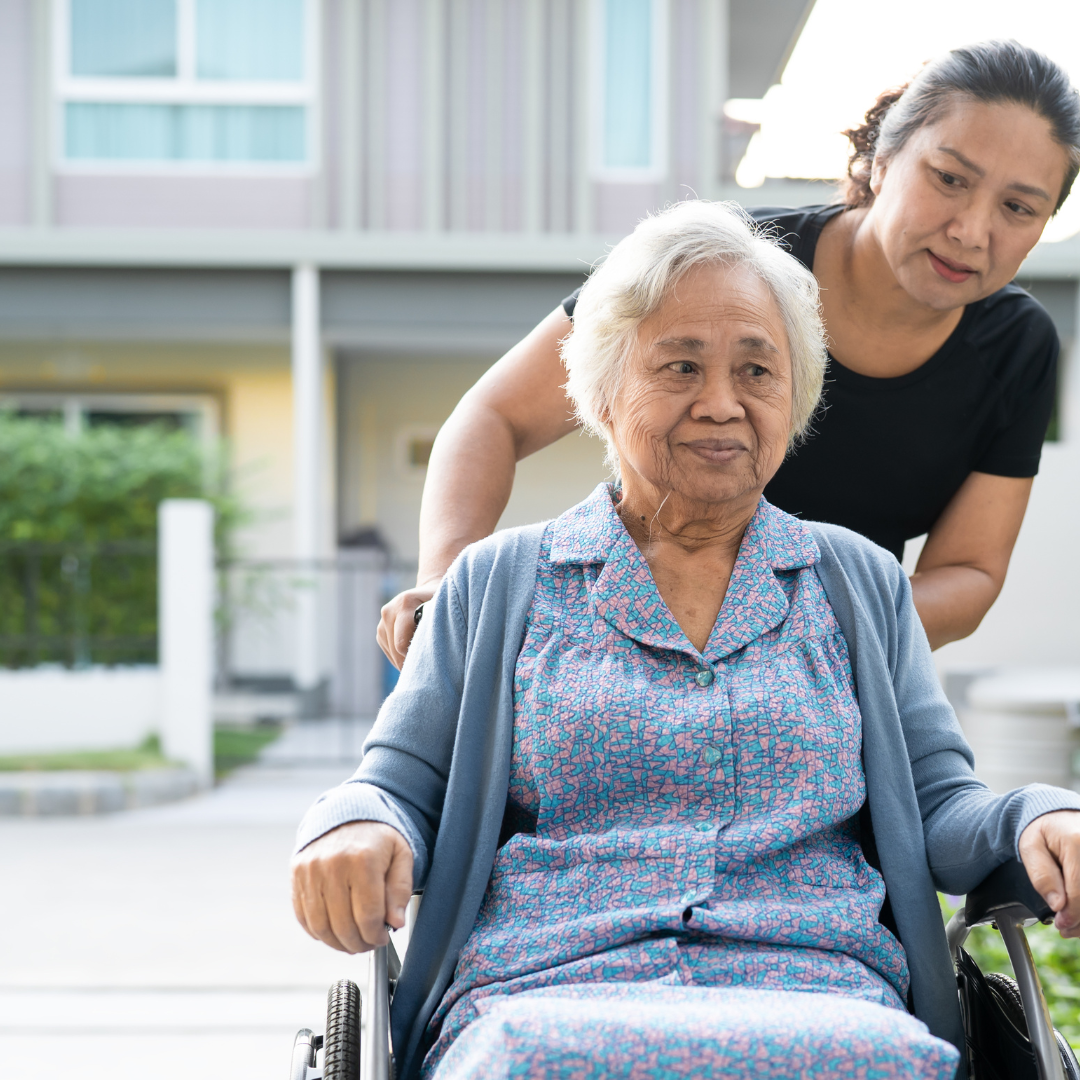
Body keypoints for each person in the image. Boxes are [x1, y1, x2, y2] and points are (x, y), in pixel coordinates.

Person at [292, 202, 1080, 1080]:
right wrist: (350, 822)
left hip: (818, 995)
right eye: (680, 366)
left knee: (887, 1061)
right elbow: (396, 782)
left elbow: (941, 801)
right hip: (548, 990)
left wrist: (1033, 816)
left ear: (797, 398)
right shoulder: (499, 582)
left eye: (757, 369)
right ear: (601, 390)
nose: (721, 403)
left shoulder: (858, 586)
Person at [378, 39, 1080, 668]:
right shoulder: (720, 266)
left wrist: (792, 637)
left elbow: (969, 574)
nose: (970, 230)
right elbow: (493, 416)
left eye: (1019, 208)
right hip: (622, 648)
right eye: (949, 178)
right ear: (884, 158)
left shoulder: (1019, 348)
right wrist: (447, 583)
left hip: (832, 674)